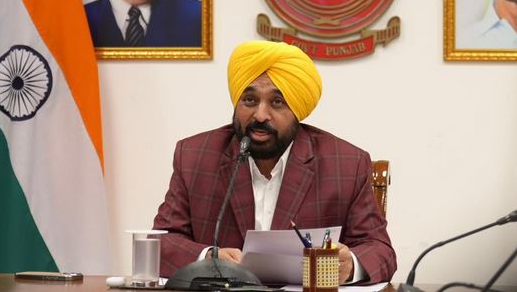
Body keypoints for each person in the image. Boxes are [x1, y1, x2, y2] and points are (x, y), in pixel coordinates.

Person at [153, 40, 397, 284]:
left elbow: (380, 250)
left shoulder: (347, 165)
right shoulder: (195, 156)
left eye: (277, 102)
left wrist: (350, 265)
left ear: (297, 109)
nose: (260, 115)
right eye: (249, 100)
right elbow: (161, 242)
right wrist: (207, 258)